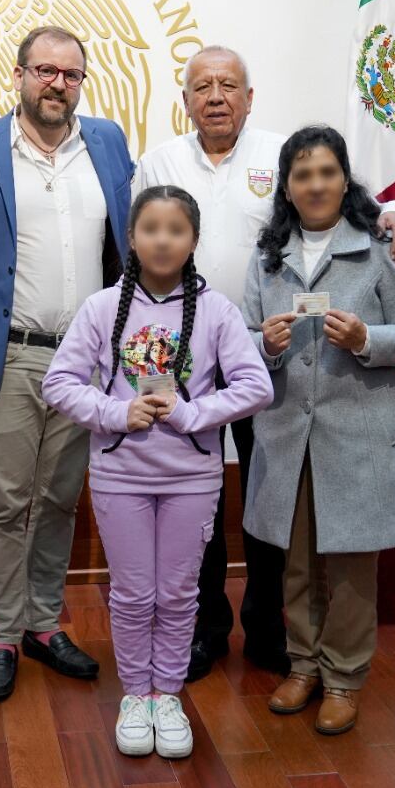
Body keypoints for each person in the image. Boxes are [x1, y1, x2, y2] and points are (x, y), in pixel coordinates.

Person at [134, 45, 395, 681]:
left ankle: (270, 631)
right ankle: (204, 628)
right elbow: (138, 239)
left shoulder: (280, 154)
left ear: (249, 96)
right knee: (195, 501)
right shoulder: (159, 162)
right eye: (202, 86)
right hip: (183, 357)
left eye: (229, 85)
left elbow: (348, 204)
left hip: (269, 361)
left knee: (271, 497)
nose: (216, 96)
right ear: (184, 100)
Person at [0, 26, 134, 701]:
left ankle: (43, 625)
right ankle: (0, 633)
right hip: (11, 352)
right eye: (44, 71)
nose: (57, 83)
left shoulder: (106, 143)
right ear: (19, 75)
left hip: (86, 359)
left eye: (71, 74)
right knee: (6, 502)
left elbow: (126, 248)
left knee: (58, 498)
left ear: (83, 81)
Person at [42, 185, 272, 757]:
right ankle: (135, 694)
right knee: (132, 593)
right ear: (132, 237)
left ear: (193, 239)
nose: (162, 240)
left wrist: (194, 413)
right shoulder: (100, 308)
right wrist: (117, 412)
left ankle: (167, 693)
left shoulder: (218, 310)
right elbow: (59, 384)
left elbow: (256, 386)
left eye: (176, 230)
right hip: (121, 476)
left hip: (192, 478)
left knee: (176, 593)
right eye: (151, 229)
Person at [242, 124, 395, 735]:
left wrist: (367, 339)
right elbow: (246, 338)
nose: (315, 184)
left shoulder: (382, 244)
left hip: (358, 426)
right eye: (302, 174)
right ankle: (302, 666)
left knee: (353, 564)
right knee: (297, 560)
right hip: (287, 430)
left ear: (344, 177)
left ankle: (344, 678)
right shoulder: (268, 253)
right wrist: (266, 346)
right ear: (287, 185)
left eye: (327, 172)